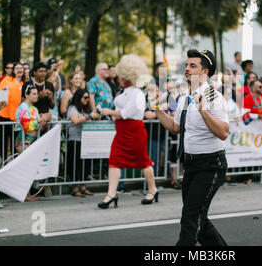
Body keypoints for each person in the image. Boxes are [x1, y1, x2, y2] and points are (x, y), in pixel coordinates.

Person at [154, 49, 229, 246]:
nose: (186, 69)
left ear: (205, 72)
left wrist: (204, 111)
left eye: (192, 66)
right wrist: (157, 110)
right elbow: (176, 127)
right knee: (199, 220)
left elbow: (223, 132)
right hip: (191, 165)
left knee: (190, 216)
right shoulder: (184, 96)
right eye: (186, 65)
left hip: (211, 164)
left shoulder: (213, 96)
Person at [97, 54, 157, 209]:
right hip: (122, 131)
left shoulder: (137, 93)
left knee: (143, 161)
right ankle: (111, 194)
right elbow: (120, 113)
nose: (118, 77)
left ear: (126, 77)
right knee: (114, 161)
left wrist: (108, 112)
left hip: (134, 131)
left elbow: (127, 112)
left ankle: (152, 189)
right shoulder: (124, 92)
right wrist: (110, 114)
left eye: (121, 75)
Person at [15, 84, 52, 201]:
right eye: (34, 94)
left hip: (31, 140)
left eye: (37, 93)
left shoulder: (34, 108)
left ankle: (27, 193)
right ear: (26, 95)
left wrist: (45, 119)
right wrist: (41, 119)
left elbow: (38, 125)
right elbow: (27, 126)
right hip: (23, 141)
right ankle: (25, 194)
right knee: (25, 168)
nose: (37, 96)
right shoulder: (23, 107)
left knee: (29, 168)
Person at [66, 88, 100, 197]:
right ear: (79, 97)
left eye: (88, 98)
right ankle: (75, 188)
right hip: (75, 139)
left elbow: (94, 118)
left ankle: (83, 187)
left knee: (85, 165)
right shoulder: (72, 108)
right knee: (75, 165)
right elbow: (75, 120)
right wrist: (89, 116)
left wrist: (96, 114)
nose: (87, 100)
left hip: (86, 140)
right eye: (85, 98)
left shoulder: (85, 109)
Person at [0, 62, 25, 159]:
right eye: (17, 68)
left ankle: (13, 161)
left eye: (21, 68)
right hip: (4, 114)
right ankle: (3, 161)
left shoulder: (24, 83)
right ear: (14, 70)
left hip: (17, 117)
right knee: (3, 139)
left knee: (14, 140)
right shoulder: (7, 79)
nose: (19, 69)